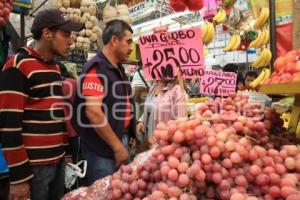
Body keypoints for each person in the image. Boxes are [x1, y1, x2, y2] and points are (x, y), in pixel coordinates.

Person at [0, 9, 84, 200]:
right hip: (32, 169)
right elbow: (8, 125)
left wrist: (66, 152)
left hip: (57, 163)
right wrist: (19, 178)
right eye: (65, 34)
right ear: (47, 34)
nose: (71, 40)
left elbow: (57, 113)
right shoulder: (18, 65)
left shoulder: (54, 67)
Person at [73, 20, 136, 186]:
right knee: (104, 191)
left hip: (118, 140)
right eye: (128, 41)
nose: (131, 47)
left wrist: (131, 131)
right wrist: (117, 146)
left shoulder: (117, 68)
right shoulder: (96, 69)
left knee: (117, 191)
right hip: (102, 148)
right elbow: (93, 113)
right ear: (114, 40)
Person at [136, 78, 188, 145]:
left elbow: (182, 120)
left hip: (165, 144)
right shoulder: (154, 86)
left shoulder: (177, 90)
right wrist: (141, 121)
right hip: (149, 142)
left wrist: (164, 135)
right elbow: (151, 108)